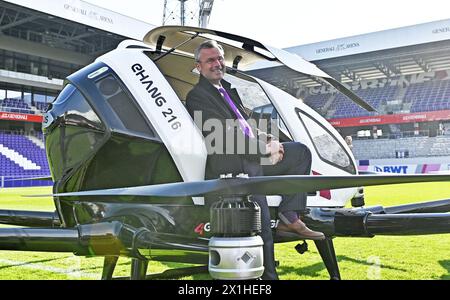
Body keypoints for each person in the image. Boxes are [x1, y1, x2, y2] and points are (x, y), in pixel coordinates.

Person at [186, 40, 324, 280]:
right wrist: (264, 150)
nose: (217, 64)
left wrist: (270, 140)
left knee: (299, 152)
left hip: (253, 157)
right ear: (198, 65)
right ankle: (269, 278)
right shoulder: (197, 96)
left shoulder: (228, 90)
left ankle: (289, 216)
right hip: (235, 165)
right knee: (261, 229)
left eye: (219, 58)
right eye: (210, 60)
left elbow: (246, 125)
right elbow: (223, 137)